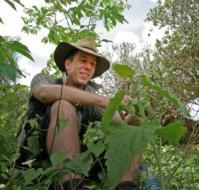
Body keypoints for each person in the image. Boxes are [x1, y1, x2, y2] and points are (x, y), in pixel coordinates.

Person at [19, 38, 140, 190]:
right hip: (33, 161)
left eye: (92, 64)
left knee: (131, 132)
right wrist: (102, 100)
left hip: (75, 160)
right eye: (83, 61)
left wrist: (133, 113)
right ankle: (72, 185)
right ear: (67, 65)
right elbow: (43, 93)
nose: (88, 67)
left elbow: (118, 125)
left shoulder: (91, 99)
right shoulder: (45, 80)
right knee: (63, 105)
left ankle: (126, 186)